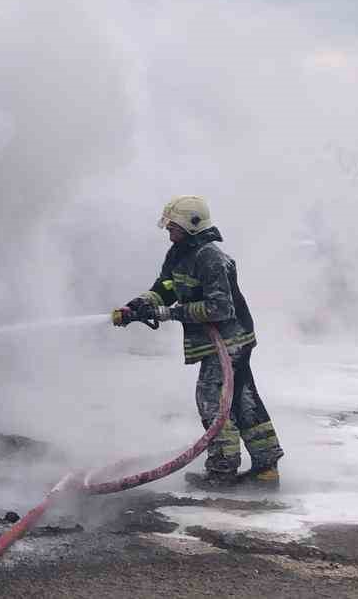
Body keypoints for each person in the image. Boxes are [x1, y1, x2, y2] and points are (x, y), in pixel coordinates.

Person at [113, 196, 284, 489]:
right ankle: (266, 467)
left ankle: (222, 470)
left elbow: (220, 308)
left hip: (231, 340)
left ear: (192, 225)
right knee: (242, 399)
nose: (169, 232)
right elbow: (165, 287)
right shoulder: (178, 253)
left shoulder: (211, 258)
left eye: (173, 226)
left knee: (212, 400)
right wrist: (138, 306)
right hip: (223, 341)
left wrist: (169, 313)